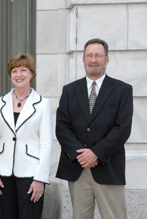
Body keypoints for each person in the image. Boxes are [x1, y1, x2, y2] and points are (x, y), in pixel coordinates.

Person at [56, 38, 133, 219]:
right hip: (78, 166)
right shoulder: (69, 90)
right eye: (89, 55)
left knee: (114, 216)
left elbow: (123, 128)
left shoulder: (122, 90)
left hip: (108, 166)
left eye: (98, 55)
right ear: (83, 59)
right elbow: (62, 127)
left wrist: (96, 153)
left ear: (106, 59)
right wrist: (81, 155)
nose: (93, 60)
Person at [0, 53, 53, 219]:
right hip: (3, 173)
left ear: (32, 74)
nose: (19, 75)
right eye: (14, 71)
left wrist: (41, 179)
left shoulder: (43, 104)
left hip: (31, 174)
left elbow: (46, 143)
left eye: (23, 70)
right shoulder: (0, 102)